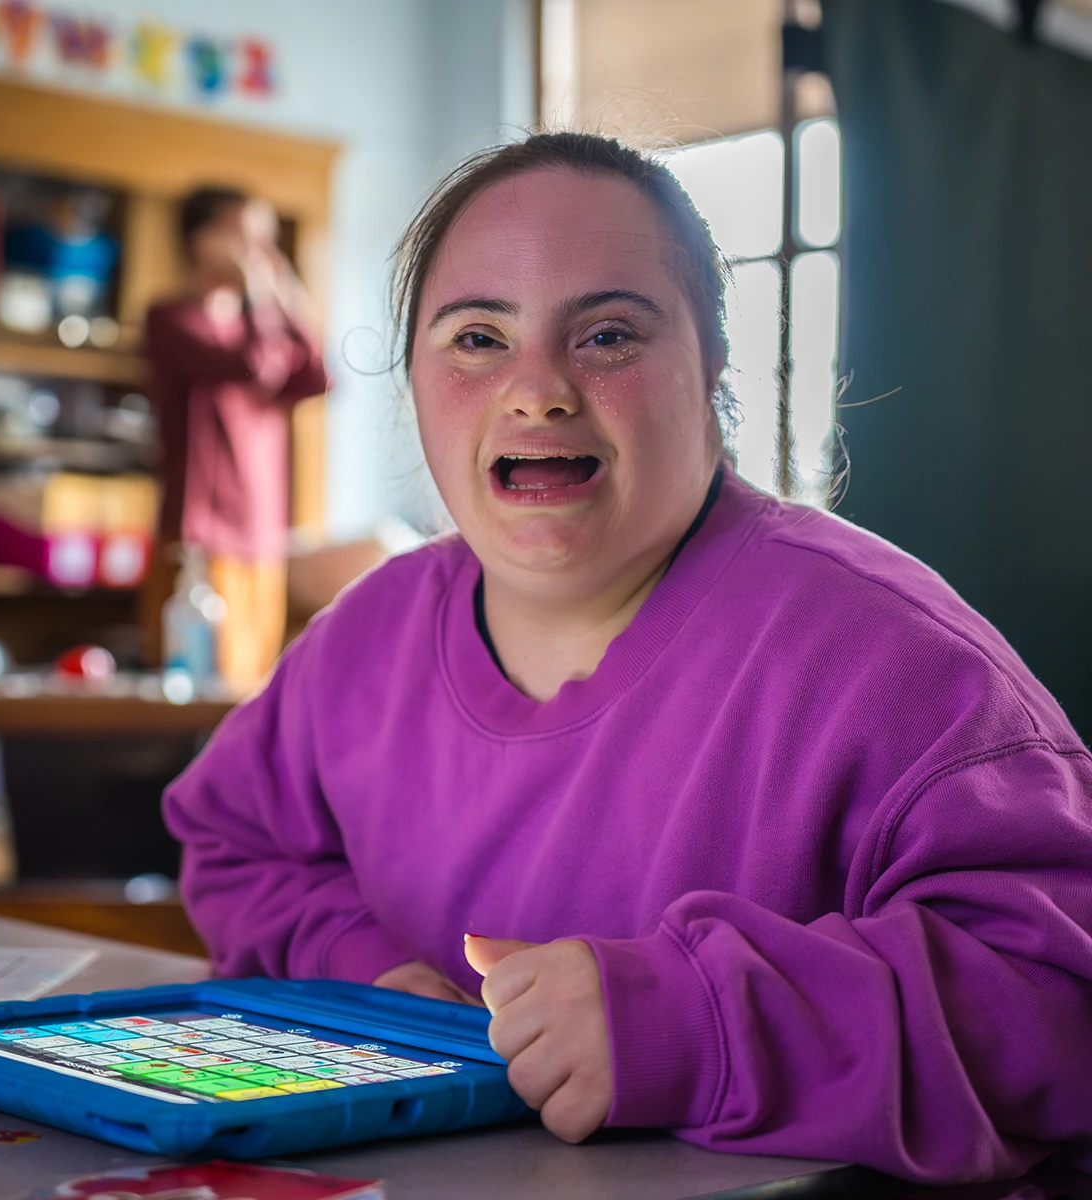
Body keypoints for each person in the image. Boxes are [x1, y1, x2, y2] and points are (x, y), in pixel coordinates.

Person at [163, 134, 1092, 1183]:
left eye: (608, 335)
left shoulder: (896, 664)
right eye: (477, 336)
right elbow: (237, 843)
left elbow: (1060, 997)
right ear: (413, 378)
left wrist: (694, 1024)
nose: (539, 389)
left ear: (712, 369)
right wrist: (358, 968)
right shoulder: (357, 643)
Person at [145, 186, 327, 690]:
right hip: (202, 538)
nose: (264, 257)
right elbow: (254, 368)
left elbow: (317, 376)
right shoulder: (172, 319)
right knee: (201, 697)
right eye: (249, 240)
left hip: (261, 535)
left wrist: (288, 295)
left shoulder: (263, 322)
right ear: (202, 243)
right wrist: (258, 296)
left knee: (252, 693)